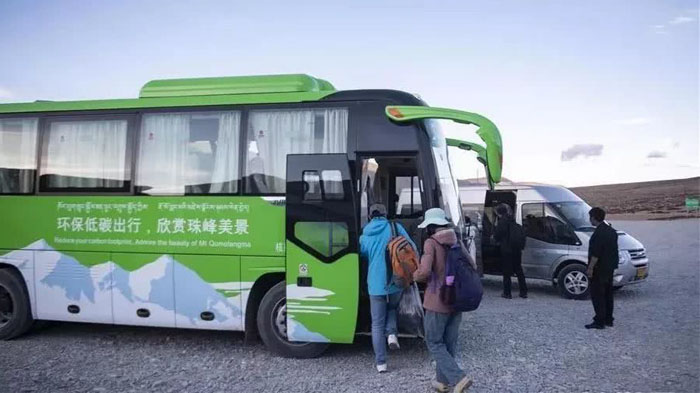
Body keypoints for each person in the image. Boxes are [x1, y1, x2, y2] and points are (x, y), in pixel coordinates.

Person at [413, 208, 473, 392]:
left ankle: (458, 377)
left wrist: (413, 276)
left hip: (437, 301)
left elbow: (424, 272)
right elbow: (473, 265)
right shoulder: (457, 240)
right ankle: (442, 382)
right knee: (448, 343)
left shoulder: (431, 243)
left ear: (431, 226)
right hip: (457, 300)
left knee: (433, 341)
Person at [359, 203, 417, 373]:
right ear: (385, 214)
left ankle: (381, 363)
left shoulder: (364, 234)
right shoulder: (395, 227)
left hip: (375, 283)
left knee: (376, 323)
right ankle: (392, 334)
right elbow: (411, 247)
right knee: (392, 307)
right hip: (396, 279)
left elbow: (362, 254)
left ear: (370, 216)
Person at [585, 207, 619, 329]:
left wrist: (590, 268)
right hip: (609, 267)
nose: (590, 220)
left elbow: (596, 254)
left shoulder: (599, 234)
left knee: (598, 295)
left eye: (590, 217)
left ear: (594, 218)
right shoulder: (611, 231)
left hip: (599, 269)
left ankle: (599, 321)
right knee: (608, 294)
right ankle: (608, 319)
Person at [494, 204, 528, 299]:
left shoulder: (502, 222)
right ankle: (523, 292)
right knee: (519, 270)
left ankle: (507, 293)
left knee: (507, 272)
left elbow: (497, 235)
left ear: (499, 213)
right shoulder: (513, 221)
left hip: (507, 250)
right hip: (517, 250)